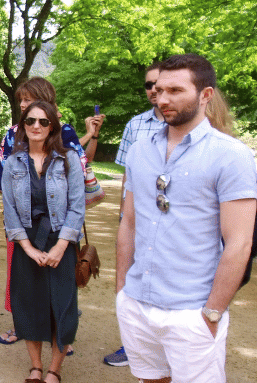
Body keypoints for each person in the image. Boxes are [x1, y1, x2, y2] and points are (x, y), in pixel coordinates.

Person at [116, 53, 256, 383]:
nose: (162, 99)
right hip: (137, 303)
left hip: (191, 310)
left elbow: (239, 241)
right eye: (158, 90)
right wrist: (123, 291)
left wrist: (212, 312)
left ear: (205, 95)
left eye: (175, 91)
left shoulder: (231, 155)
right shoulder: (139, 150)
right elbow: (130, 221)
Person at [0, 77, 97, 350]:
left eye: (29, 99)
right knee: (24, 280)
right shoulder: (12, 132)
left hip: (57, 217)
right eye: (22, 101)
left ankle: (60, 332)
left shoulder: (64, 132)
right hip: (23, 216)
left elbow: (78, 171)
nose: (24, 105)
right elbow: (3, 171)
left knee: (59, 280)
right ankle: (25, 326)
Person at [2, 100, 84, 383]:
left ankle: (54, 370)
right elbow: (9, 209)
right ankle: (36, 366)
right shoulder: (12, 162)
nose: (37, 126)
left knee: (62, 306)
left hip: (61, 238)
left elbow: (77, 206)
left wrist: (61, 246)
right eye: (30, 121)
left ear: (53, 126)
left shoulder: (69, 158)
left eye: (43, 121)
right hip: (27, 240)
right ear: (23, 126)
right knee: (29, 305)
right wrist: (27, 248)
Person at [103, 62, 167, 367]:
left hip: (172, 223)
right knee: (133, 280)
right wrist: (122, 218)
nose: (153, 90)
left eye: (159, 83)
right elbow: (128, 177)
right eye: (148, 85)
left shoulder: (193, 125)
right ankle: (132, 344)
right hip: (138, 217)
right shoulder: (136, 124)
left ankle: (166, 347)